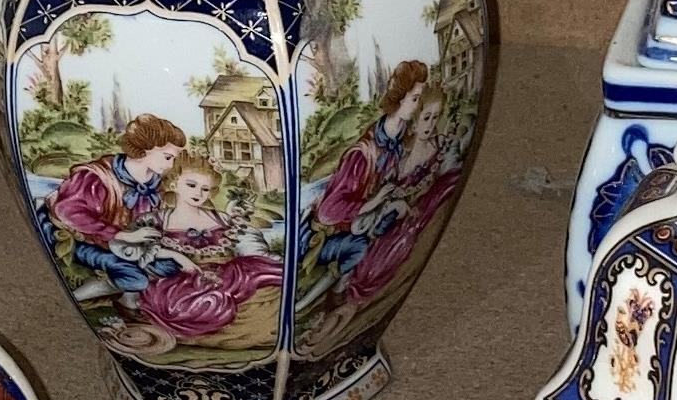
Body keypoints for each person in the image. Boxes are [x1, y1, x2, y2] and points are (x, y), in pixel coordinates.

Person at [310, 60, 458, 310]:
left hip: (373, 222)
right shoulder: (364, 154)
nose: (419, 106)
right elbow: (327, 212)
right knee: (361, 248)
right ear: (398, 100)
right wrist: (376, 203)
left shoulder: (400, 144)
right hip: (340, 235)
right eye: (415, 100)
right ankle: (332, 297)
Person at [132, 155, 284, 341]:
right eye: (191, 185)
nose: (199, 193)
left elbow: (247, 241)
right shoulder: (157, 220)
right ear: (173, 183)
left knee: (273, 276)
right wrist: (177, 257)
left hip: (226, 273)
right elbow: (140, 250)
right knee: (201, 304)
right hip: (182, 279)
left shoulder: (220, 218)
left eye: (205, 189)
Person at [47, 114, 186, 295]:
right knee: (135, 278)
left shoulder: (154, 183)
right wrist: (121, 235)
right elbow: (70, 212)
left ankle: (125, 291)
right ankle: (80, 296)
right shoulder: (98, 176)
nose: (171, 164)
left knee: (170, 268)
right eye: (168, 157)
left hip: (131, 246)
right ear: (145, 150)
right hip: (88, 242)